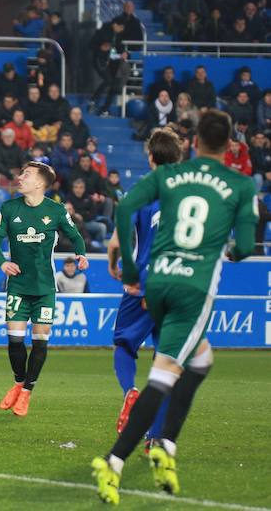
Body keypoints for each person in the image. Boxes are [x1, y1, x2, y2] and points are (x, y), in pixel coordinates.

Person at [92, 110, 258, 504]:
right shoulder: (240, 184)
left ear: (195, 141)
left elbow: (125, 208)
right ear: (231, 145)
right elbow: (247, 247)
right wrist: (230, 252)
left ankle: (165, 446)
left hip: (157, 281)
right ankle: (115, 461)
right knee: (167, 373)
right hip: (192, 288)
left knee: (199, 360)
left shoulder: (168, 177)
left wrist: (129, 269)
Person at [0, 162, 88, 416]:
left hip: (45, 287)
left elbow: (76, 236)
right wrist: (3, 262)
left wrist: (81, 255)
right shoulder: (9, 208)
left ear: (40, 184)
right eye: (21, 173)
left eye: (26, 175)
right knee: (14, 341)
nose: (20, 177)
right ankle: (18, 382)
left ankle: (26, 392)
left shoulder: (55, 210)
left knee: (40, 341)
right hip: (18, 286)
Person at [105, 129, 181, 447]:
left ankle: (130, 392)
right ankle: (157, 438)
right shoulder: (192, 193)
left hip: (145, 280)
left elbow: (118, 238)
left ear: (150, 157)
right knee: (166, 361)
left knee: (124, 346)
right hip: (181, 283)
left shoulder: (141, 192)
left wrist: (113, 263)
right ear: (178, 157)